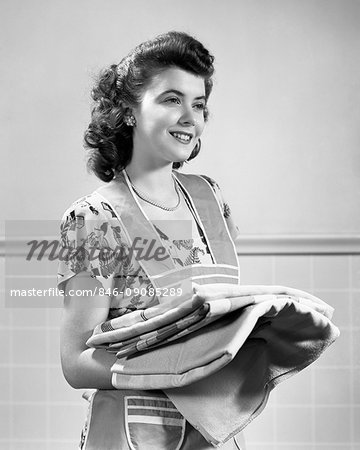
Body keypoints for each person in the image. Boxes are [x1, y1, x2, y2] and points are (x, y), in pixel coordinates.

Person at [58, 31, 245, 449]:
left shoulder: (211, 201)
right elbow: (75, 363)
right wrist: (176, 367)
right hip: (134, 434)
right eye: (171, 99)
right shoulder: (96, 219)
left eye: (198, 104)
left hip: (214, 430)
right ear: (128, 111)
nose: (190, 118)